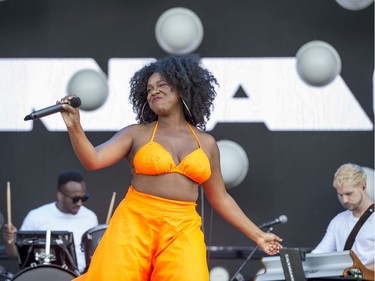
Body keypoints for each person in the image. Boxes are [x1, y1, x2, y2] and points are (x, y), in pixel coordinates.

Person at [59, 54, 283, 281]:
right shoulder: (136, 133)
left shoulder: (206, 143)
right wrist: (75, 126)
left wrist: (258, 236)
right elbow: (93, 160)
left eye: (162, 85)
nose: (153, 91)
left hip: (182, 227)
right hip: (135, 222)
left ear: (182, 89)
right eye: (148, 89)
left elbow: (221, 198)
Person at [2, 170, 98, 273]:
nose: (80, 203)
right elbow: (15, 254)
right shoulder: (36, 216)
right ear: (60, 196)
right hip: (43, 276)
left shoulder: (90, 217)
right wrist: (10, 240)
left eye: (84, 198)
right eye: (75, 199)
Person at [312, 163, 374, 271]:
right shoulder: (338, 221)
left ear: (363, 186)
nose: (344, 200)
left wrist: (359, 273)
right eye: (341, 195)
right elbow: (318, 256)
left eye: (349, 194)